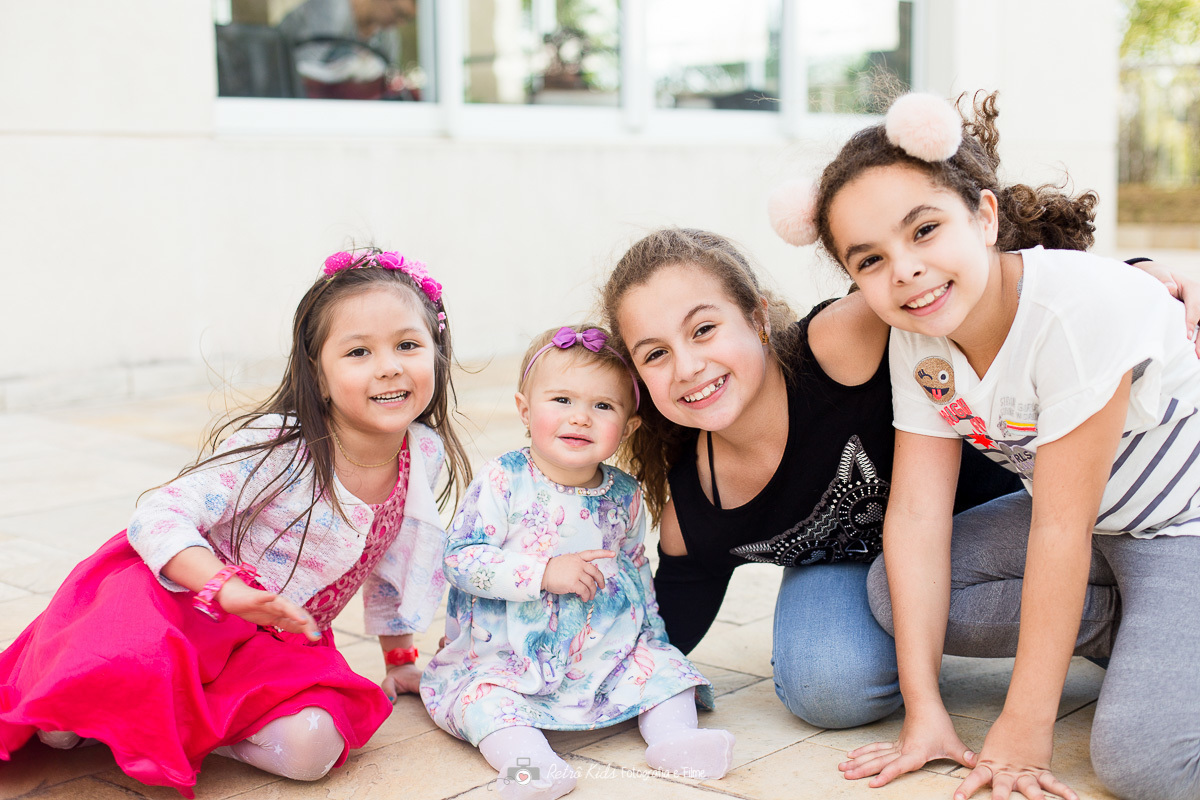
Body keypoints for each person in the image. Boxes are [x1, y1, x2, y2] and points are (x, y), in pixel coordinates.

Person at [799, 92, 1200, 800]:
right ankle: (1130, 630)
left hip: (1180, 531)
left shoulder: (1074, 310)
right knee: (894, 599)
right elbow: (918, 518)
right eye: (870, 260)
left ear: (983, 218)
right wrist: (924, 715)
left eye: (924, 230)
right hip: (1096, 530)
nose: (906, 270)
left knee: (1143, 765)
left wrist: (1023, 726)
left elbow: (1059, 529)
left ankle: (1160, 632)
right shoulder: (918, 335)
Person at [0, 248, 470, 797]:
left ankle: (180, 725)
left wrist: (399, 658)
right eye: (359, 351)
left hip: (273, 642)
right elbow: (159, 512)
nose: (389, 365)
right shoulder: (281, 447)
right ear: (318, 376)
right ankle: (92, 705)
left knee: (315, 747)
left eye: (407, 345)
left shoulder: (422, 451)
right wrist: (223, 589)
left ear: (436, 354)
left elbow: (394, 558)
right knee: (93, 680)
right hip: (183, 609)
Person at [601, 227, 1027, 731]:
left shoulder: (840, 344)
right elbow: (653, 636)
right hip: (869, 568)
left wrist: (1132, 273)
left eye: (703, 330)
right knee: (826, 687)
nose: (688, 366)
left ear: (757, 319)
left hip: (1015, 516)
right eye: (655, 354)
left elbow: (969, 280)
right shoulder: (697, 509)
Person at [421, 325, 734, 800]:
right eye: (562, 400)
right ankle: (532, 769)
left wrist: (651, 640)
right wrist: (543, 572)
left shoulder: (625, 494)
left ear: (628, 425)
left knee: (667, 671)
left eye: (603, 406)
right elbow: (461, 560)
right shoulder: (503, 481)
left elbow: (634, 568)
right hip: (507, 656)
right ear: (525, 410)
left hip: (602, 651)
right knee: (485, 704)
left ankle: (676, 741)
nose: (581, 418)